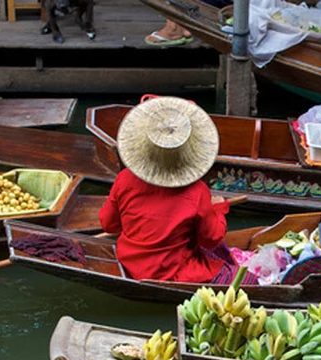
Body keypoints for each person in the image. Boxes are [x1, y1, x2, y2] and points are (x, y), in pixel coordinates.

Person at [98, 97, 249, 284]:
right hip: (174, 273)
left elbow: (109, 225)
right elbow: (211, 239)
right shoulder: (197, 191)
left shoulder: (124, 179)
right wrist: (218, 209)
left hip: (130, 263)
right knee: (248, 277)